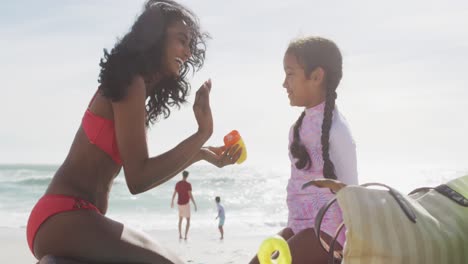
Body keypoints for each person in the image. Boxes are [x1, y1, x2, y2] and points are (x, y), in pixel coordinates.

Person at [26, 1, 242, 263]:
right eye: (181, 41)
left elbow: (142, 171)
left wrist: (201, 154)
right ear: (156, 38)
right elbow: (138, 179)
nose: (186, 52)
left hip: (73, 220)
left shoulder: (133, 87)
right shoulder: (130, 82)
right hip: (61, 216)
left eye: (189, 45)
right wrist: (202, 133)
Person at [250, 37, 358, 263]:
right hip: (298, 228)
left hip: (330, 237)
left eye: (290, 74)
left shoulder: (337, 130)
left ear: (317, 76)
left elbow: (353, 195)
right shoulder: (296, 130)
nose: (284, 83)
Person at [171, 171, 197, 240]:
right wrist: (194, 203)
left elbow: (174, 193)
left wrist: (172, 201)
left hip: (179, 204)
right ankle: (185, 236)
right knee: (188, 220)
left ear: (182, 175)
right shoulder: (188, 184)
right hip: (186, 204)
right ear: (187, 176)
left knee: (180, 220)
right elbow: (190, 195)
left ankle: (180, 235)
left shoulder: (178, 183)